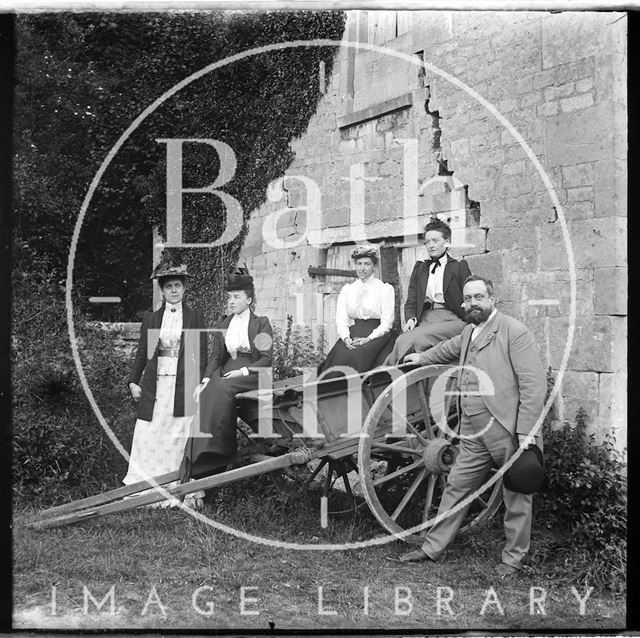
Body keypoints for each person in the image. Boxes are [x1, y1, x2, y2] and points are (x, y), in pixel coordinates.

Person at [399, 276, 546, 577]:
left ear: (493, 299)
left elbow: (534, 386)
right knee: (456, 486)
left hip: (506, 428)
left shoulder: (513, 332)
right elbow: (446, 350)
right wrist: (422, 356)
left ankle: (512, 560)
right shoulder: (469, 332)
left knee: (516, 495)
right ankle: (432, 549)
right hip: (474, 432)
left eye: (479, 297)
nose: (472, 303)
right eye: (468, 299)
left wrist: (525, 434)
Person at [124, 258, 208, 508]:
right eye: (169, 286)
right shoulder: (151, 319)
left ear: (184, 289)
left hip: (183, 384)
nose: (174, 290)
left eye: (178, 286)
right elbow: (142, 354)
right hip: (156, 385)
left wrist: (199, 382)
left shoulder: (194, 317)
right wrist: (132, 381)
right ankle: (146, 487)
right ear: (161, 290)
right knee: (151, 432)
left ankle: (180, 487)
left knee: (179, 433)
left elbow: (200, 353)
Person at [180, 269, 273, 481]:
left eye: (236, 297)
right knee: (209, 390)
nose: (231, 302)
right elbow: (215, 357)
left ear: (249, 299)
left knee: (222, 387)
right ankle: (201, 453)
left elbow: (266, 359)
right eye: (229, 297)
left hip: (252, 371)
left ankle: (220, 449)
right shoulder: (225, 323)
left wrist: (241, 371)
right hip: (226, 370)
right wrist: (204, 381)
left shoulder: (261, 323)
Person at [384, 218, 470, 366]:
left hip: (452, 319)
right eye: (427, 242)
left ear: (446, 241)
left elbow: (469, 297)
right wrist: (411, 318)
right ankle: (386, 377)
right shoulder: (420, 268)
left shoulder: (459, 267)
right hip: (426, 318)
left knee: (419, 338)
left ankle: (395, 373)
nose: (430, 245)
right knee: (401, 339)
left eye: (435, 241)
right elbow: (412, 301)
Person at [317, 244, 395, 377]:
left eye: (367, 264)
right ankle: (330, 393)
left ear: (374, 267)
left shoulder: (384, 289)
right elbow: (341, 320)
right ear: (355, 265)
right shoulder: (348, 290)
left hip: (378, 335)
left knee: (359, 355)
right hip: (354, 333)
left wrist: (369, 339)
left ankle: (358, 391)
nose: (362, 268)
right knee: (339, 356)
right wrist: (346, 337)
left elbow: (387, 323)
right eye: (359, 264)